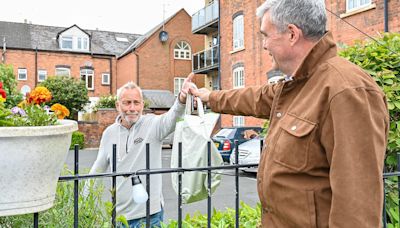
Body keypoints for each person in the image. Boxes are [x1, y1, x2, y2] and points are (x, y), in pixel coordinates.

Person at [189, 0, 389, 227]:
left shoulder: (346, 91)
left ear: (292, 34)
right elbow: (255, 97)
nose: (264, 45)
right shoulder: (300, 84)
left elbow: (357, 208)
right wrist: (207, 97)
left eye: (266, 35)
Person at [85, 75, 194, 228]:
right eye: (127, 103)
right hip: (120, 217)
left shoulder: (153, 124)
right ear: (118, 105)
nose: (132, 108)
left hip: (150, 215)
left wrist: (181, 99)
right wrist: (83, 201)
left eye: (136, 103)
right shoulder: (109, 133)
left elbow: (172, 117)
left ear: (142, 105)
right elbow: (98, 168)